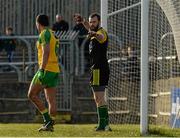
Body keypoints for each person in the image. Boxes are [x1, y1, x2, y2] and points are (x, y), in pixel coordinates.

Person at [28, 14, 60, 132]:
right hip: (55, 69)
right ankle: (50, 124)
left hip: (46, 69)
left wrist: (41, 69)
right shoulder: (53, 33)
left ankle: (47, 121)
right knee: (50, 100)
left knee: (31, 95)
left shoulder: (44, 33)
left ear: (38, 23)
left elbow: (46, 52)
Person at [88, 13, 112, 131]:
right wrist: (83, 22)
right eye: (90, 22)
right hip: (96, 69)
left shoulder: (101, 32)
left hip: (100, 69)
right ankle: (105, 123)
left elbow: (101, 38)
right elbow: (92, 31)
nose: (92, 24)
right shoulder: (93, 33)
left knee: (99, 97)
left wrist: (94, 33)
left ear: (99, 22)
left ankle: (103, 125)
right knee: (97, 97)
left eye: (94, 22)